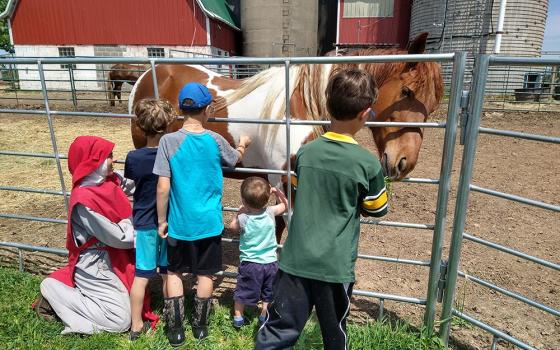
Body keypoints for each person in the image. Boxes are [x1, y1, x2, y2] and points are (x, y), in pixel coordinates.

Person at [255, 68, 388, 350]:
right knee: (334, 332)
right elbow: (377, 208)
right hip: (334, 267)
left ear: (327, 105)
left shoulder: (306, 153)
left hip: (295, 262)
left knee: (279, 330)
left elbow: (297, 187)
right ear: (365, 113)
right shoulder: (367, 164)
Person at [154, 82, 252, 346]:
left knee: (174, 273)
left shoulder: (168, 141)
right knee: (205, 274)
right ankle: (200, 327)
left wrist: (162, 220)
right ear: (207, 109)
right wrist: (242, 145)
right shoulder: (215, 140)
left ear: (180, 109)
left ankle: (175, 330)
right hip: (208, 224)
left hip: (178, 224)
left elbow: (163, 187)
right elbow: (233, 160)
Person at [35, 136, 158, 334]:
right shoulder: (83, 202)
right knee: (120, 321)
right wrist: (141, 221)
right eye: (108, 156)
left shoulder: (109, 180)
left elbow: (140, 185)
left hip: (113, 256)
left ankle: (82, 296)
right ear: (93, 162)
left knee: (130, 303)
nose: (114, 159)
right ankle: (52, 291)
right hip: (96, 264)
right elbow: (119, 237)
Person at [126, 98, 176, 340]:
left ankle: (135, 325)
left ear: (140, 127)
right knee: (168, 273)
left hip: (143, 223)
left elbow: (131, 183)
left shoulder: (133, 158)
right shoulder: (173, 155)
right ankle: (171, 317)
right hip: (167, 223)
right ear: (167, 126)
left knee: (141, 276)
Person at [227, 177, 288, 329]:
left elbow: (232, 228)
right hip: (270, 263)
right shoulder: (270, 212)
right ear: (266, 201)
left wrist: (238, 213)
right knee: (268, 293)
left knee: (242, 291)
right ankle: (263, 315)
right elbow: (285, 206)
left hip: (250, 264)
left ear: (244, 200)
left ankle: (238, 317)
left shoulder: (243, 218)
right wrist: (278, 192)